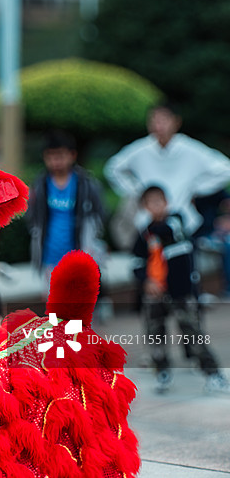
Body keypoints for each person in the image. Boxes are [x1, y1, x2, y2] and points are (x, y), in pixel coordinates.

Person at [132, 185, 229, 394]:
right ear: (145, 207)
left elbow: (173, 237)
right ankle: (162, 372)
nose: (156, 206)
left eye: (159, 201)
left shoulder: (176, 224)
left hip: (181, 291)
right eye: (151, 203)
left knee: (193, 333)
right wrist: (147, 281)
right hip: (156, 293)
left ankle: (212, 374)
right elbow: (137, 263)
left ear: (167, 202)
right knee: (155, 334)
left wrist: (155, 230)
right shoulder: (144, 235)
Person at [105, 102, 230, 237]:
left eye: (163, 120)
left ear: (176, 122)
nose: (158, 126)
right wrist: (137, 190)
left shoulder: (190, 149)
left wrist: (195, 187)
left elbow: (224, 169)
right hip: (148, 221)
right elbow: (113, 168)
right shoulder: (141, 149)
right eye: (154, 120)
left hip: (182, 218)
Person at [26, 130, 107, 294]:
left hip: (80, 253)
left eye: (60, 156)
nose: (55, 161)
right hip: (50, 255)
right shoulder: (40, 184)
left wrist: (91, 240)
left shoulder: (86, 183)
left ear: (72, 155)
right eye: (50, 156)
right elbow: (31, 215)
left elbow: (101, 213)